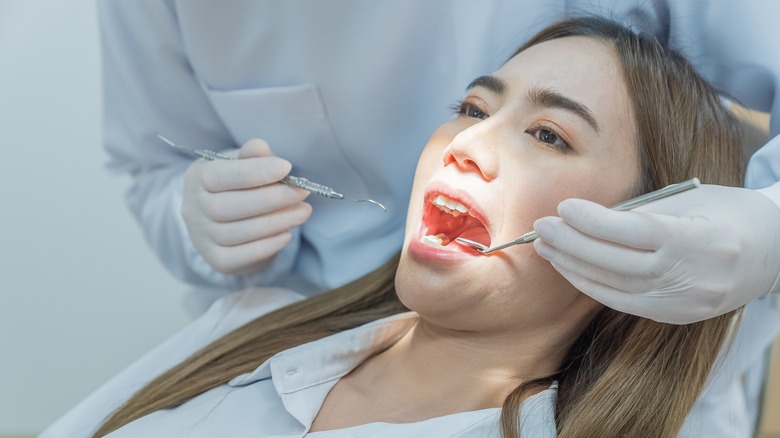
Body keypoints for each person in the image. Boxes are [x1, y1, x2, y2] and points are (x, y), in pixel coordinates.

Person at [45, 17, 748, 437]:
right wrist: (182, 209)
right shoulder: (241, 331)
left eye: (548, 135)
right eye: (472, 110)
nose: (463, 147)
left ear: (647, 227)